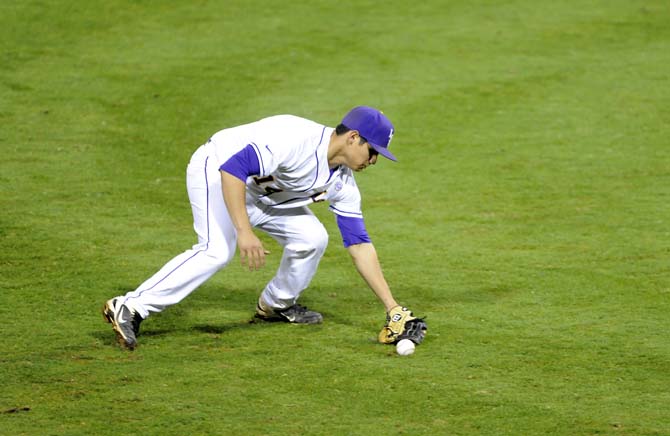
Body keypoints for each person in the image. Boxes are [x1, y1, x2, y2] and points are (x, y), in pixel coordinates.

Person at [102, 106, 420, 350]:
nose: (374, 160)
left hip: (265, 194)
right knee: (216, 251)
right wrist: (243, 230)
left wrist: (392, 307)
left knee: (312, 237)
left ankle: (276, 305)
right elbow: (234, 168)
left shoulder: (343, 183)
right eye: (373, 151)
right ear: (353, 138)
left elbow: (359, 244)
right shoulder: (296, 137)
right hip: (218, 170)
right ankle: (130, 306)